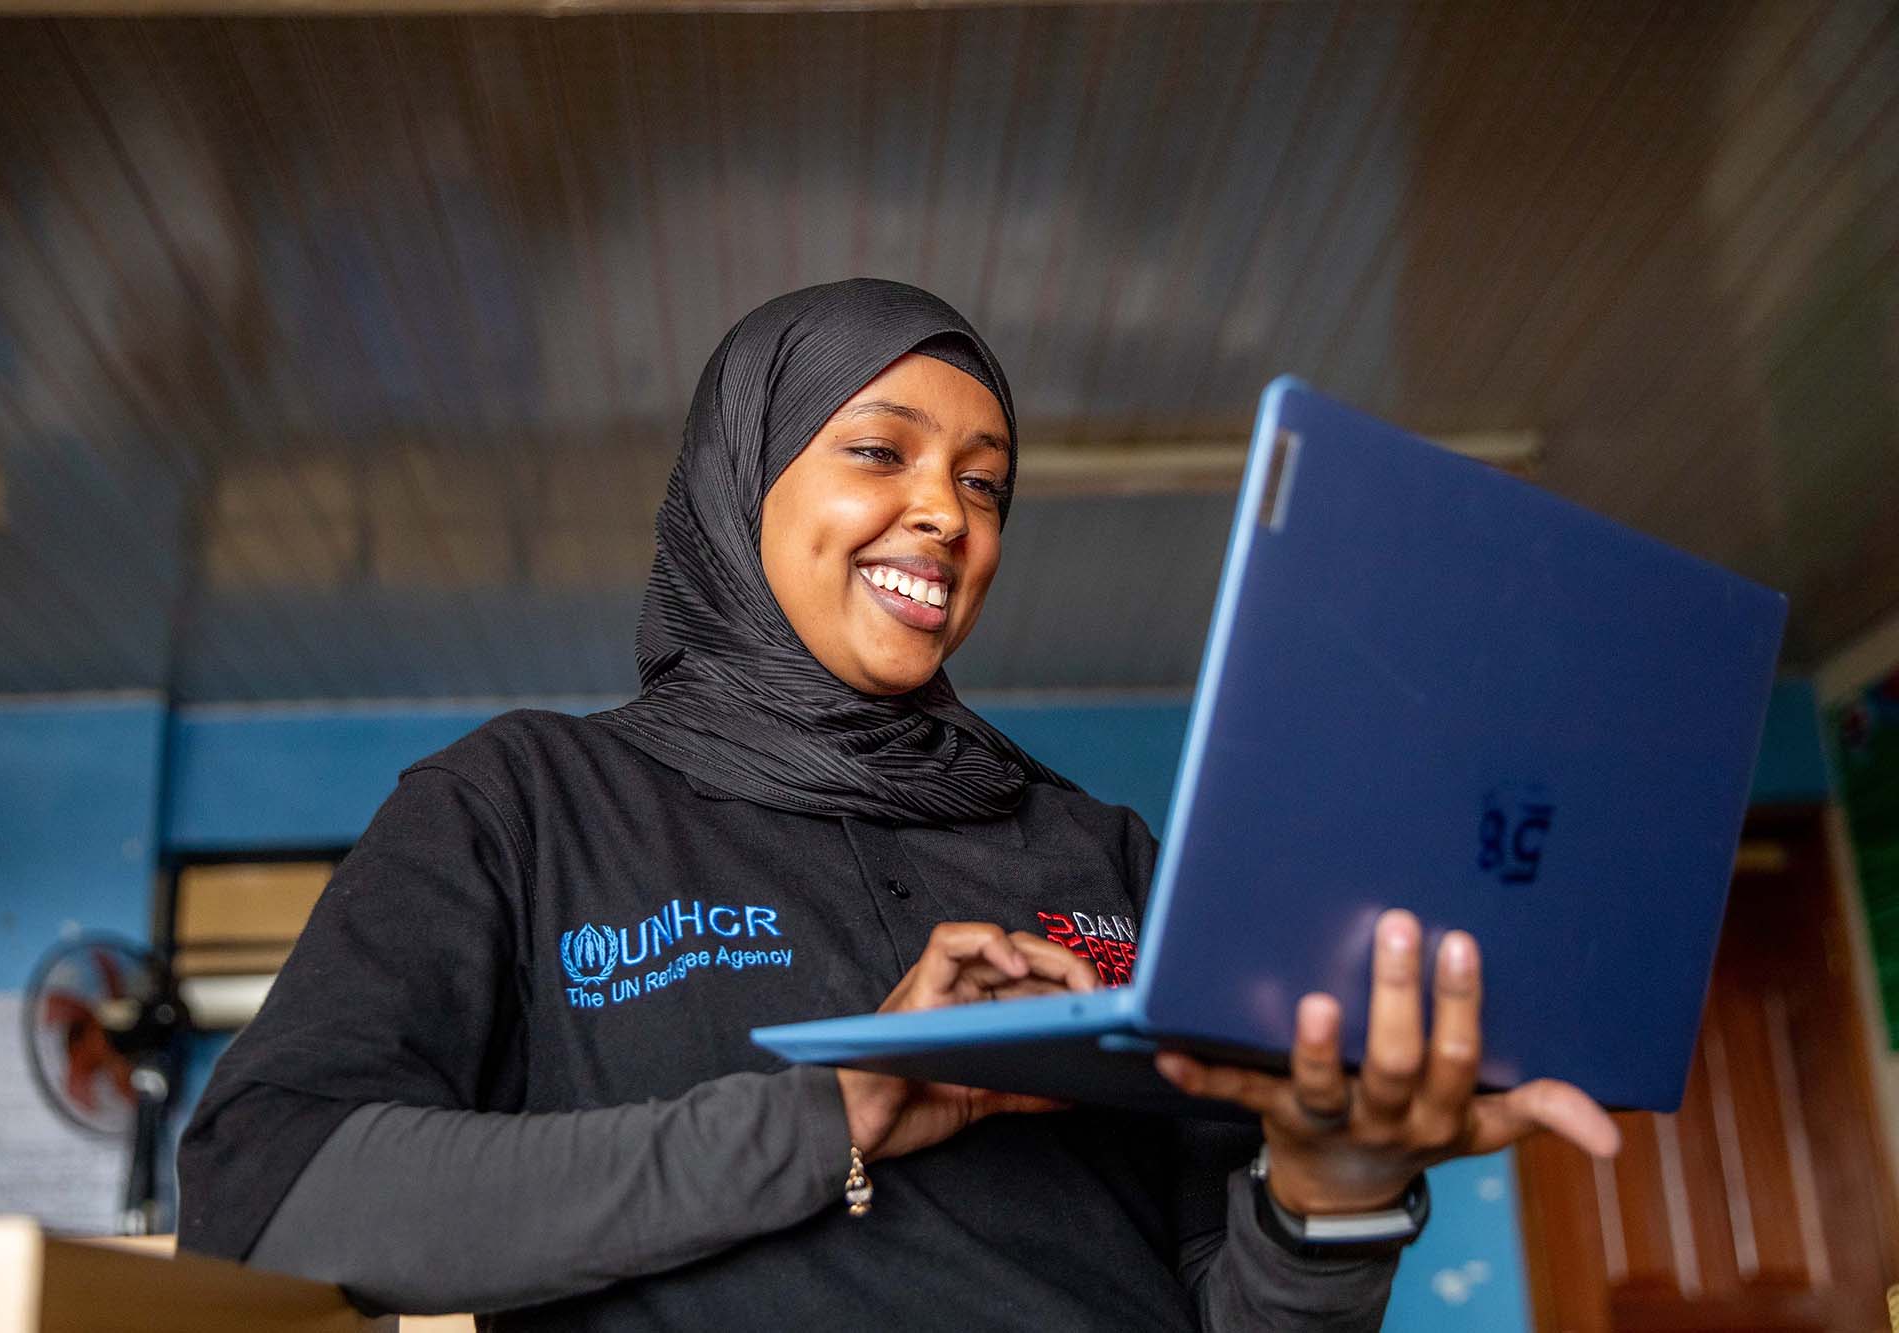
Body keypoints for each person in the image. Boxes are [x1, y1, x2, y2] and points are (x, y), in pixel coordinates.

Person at [176, 279, 1618, 1330]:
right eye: (883, 451)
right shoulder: (527, 805)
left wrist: (1335, 1190)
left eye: (987, 486)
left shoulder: (1100, 849)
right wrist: (835, 1114)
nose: (949, 513)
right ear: (742, 478)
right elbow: (269, 1193)